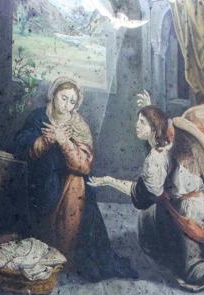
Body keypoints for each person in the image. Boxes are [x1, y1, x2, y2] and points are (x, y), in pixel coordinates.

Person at [89, 104, 204, 291]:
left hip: (190, 210)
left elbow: (148, 193)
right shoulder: (168, 140)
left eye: (142, 122)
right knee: (149, 218)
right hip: (193, 202)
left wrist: (110, 181)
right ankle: (195, 252)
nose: (136, 125)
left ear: (155, 126)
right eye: (138, 120)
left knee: (190, 273)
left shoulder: (157, 157)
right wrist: (148, 106)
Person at [9, 77, 136, 281]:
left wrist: (64, 141)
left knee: (80, 185)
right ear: (53, 94)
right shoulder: (38, 117)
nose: (66, 105)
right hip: (39, 179)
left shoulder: (79, 126)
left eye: (72, 102)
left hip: (69, 181)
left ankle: (75, 255)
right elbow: (19, 148)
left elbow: (84, 165)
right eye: (63, 98)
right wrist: (45, 140)